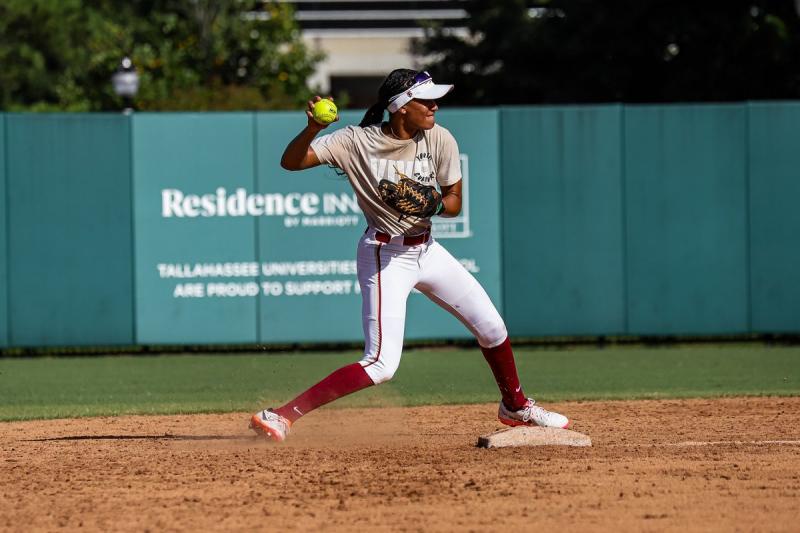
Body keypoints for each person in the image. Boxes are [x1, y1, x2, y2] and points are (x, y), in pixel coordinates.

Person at [249, 69, 569, 442]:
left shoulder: (440, 138)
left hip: (427, 250)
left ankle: (514, 406)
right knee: (382, 364)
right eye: (426, 100)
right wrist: (312, 129)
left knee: (493, 328)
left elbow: (454, 204)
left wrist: (432, 201)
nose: (435, 106)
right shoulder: (355, 141)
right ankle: (282, 415)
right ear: (401, 107)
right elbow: (292, 162)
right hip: (385, 254)